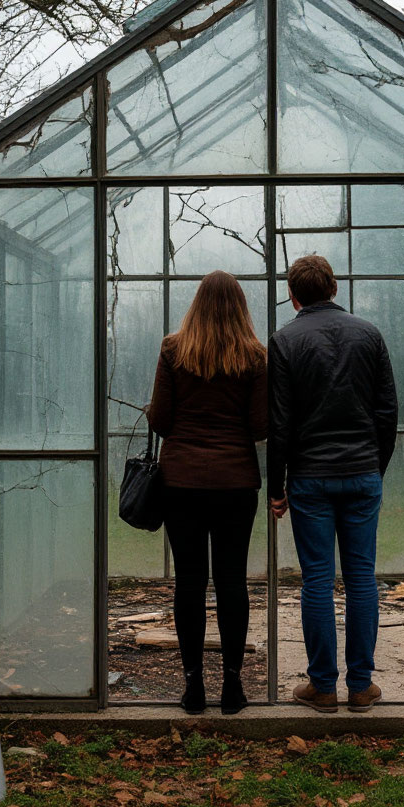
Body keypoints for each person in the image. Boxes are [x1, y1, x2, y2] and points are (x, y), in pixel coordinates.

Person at [268, 254, 398, 714]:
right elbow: (387, 412)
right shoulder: (370, 334)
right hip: (362, 472)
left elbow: (279, 422)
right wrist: (373, 469)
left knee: (317, 581)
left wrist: (277, 485)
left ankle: (323, 688)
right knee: (363, 577)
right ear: (335, 288)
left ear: (293, 293)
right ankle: (361, 687)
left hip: (311, 478)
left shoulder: (284, 341)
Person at [146, 271, 267, 715]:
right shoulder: (254, 355)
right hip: (236, 483)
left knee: (190, 582)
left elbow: (160, 420)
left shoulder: (173, 349)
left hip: (181, 483)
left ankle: (193, 686)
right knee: (232, 581)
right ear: (240, 306)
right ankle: (232, 687)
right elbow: (259, 427)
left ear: (196, 303)